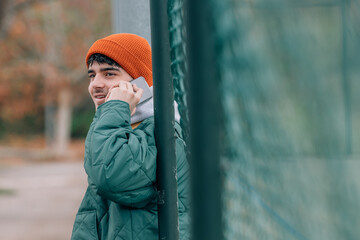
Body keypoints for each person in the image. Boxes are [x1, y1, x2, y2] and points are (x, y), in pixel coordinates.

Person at [71, 33, 190, 239]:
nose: (95, 84)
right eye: (92, 75)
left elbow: (110, 175)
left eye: (109, 74)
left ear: (141, 83)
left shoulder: (161, 132)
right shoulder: (123, 125)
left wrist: (115, 107)